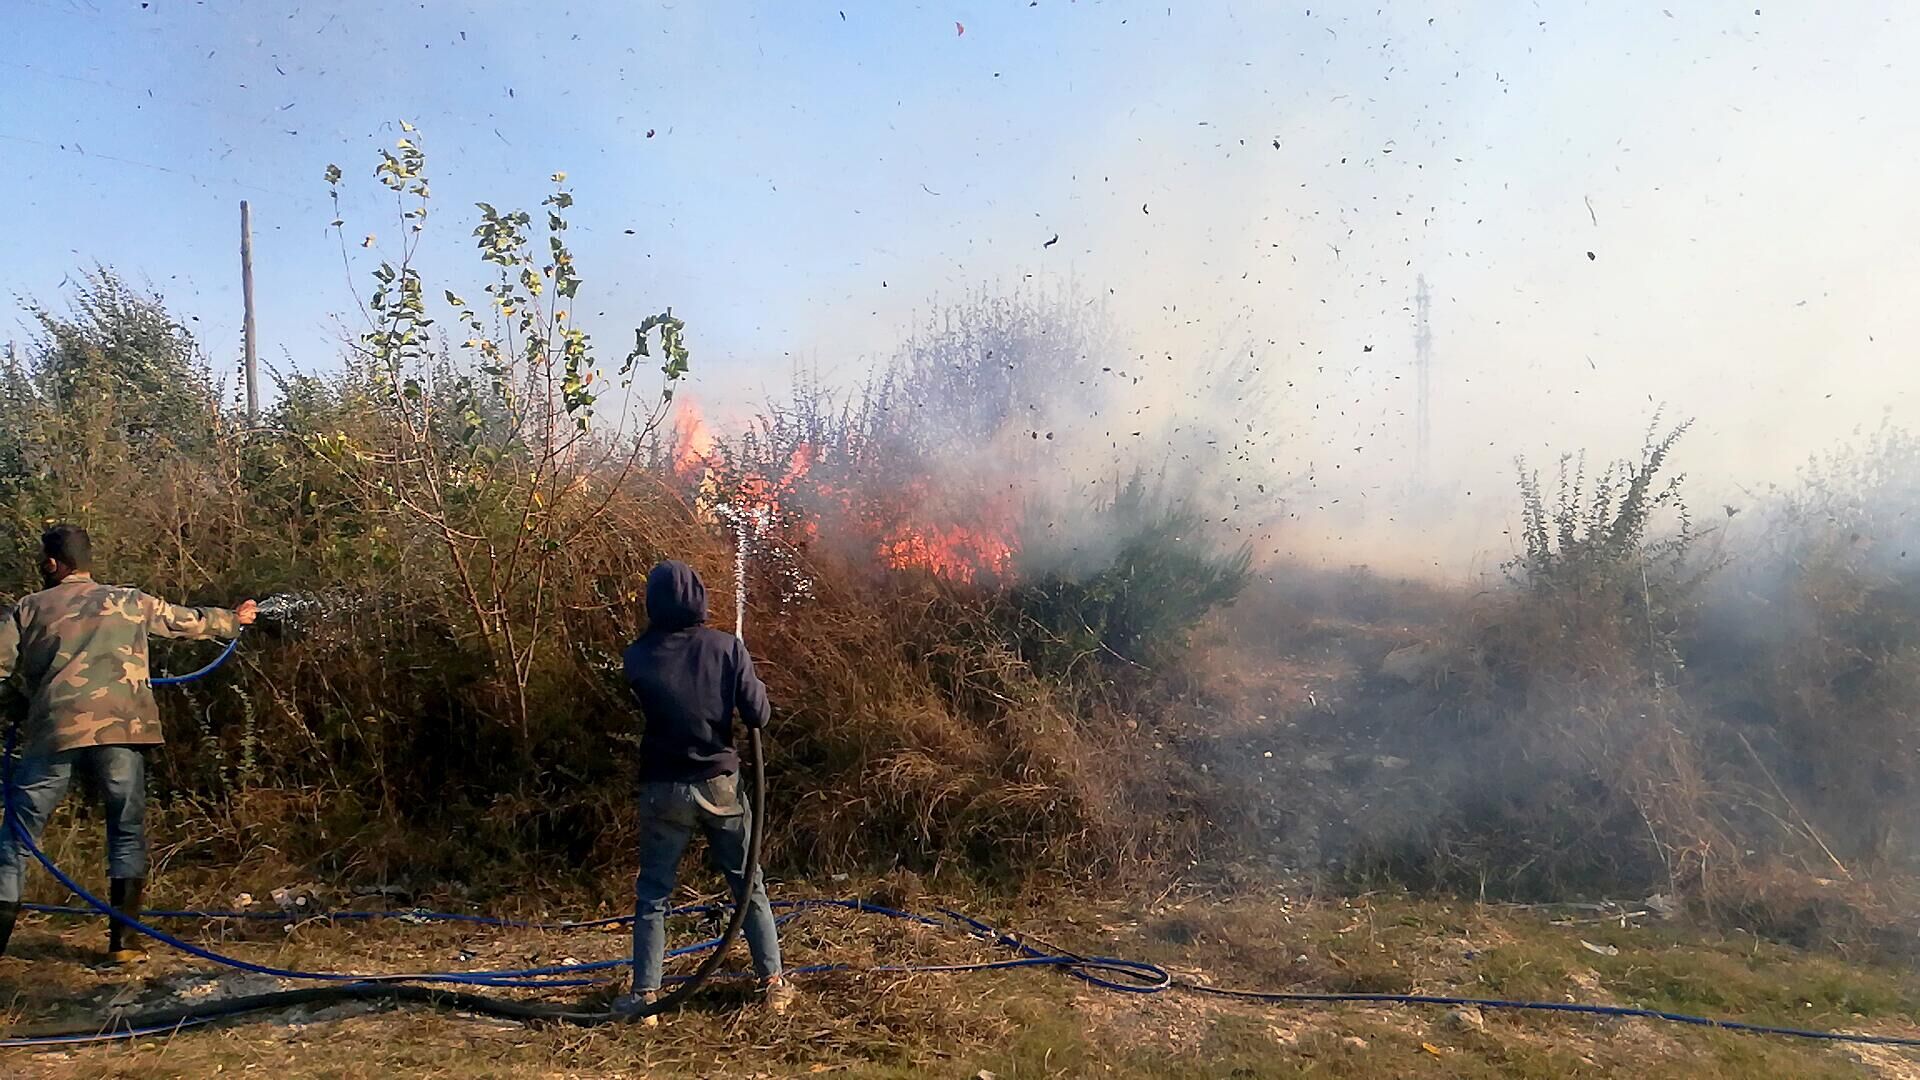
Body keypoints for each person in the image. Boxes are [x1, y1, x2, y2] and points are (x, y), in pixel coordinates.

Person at [0, 524, 256, 962]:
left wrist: (20, 706)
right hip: (124, 729)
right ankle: (124, 944)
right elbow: (186, 621)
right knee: (126, 830)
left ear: (50, 564)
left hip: (54, 729)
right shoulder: (130, 600)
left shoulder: (25, 608)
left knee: (16, 838)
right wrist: (234, 620)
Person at [618, 559, 788, 1023]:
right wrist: (747, 675)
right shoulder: (726, 648)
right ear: (699, 598)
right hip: (720, 786)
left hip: (662, 789)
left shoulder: (636, 656)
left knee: (654, 894)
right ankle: (773, 985)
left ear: (653, 602)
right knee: (747, 884)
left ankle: (646, 998)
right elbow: (759, 716)